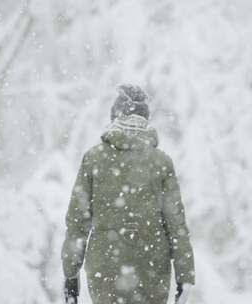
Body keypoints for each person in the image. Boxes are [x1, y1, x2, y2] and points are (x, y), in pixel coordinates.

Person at [61, 84, 195, 304]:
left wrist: (70, 273)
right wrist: (185, 277)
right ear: (146, 118)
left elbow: (77, 222)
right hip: (152, 268)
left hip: (105, 270)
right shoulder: (161, 163)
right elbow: (177, 226)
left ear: (115, 115)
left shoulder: (94, 159)